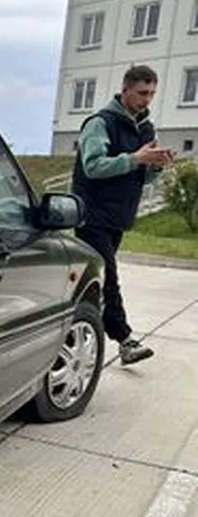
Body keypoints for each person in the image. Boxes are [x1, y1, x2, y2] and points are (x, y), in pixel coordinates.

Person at [71, 64, 175, 366]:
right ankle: (125, 340)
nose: (147, 99)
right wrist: (135, 158)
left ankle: (71, 323)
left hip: (118, 219)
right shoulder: (100, 123)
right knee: (109, 279)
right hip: (91, 216)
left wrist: (155, 166)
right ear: (125, 89)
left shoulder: (146, 129)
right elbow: (93, 166)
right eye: (142, 93)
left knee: (93, 282)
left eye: (152, 93)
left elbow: (142, 176)